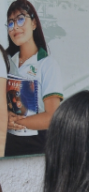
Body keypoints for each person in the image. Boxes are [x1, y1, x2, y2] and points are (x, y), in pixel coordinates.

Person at [4, 0, 63, 157]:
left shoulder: (47, 64)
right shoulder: (6, 62)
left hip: (37, 148)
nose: (15, 26)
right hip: (8, 145)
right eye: (10, 23)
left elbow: (52, 117)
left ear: (34, 23)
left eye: (20, 19)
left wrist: (17, 122)